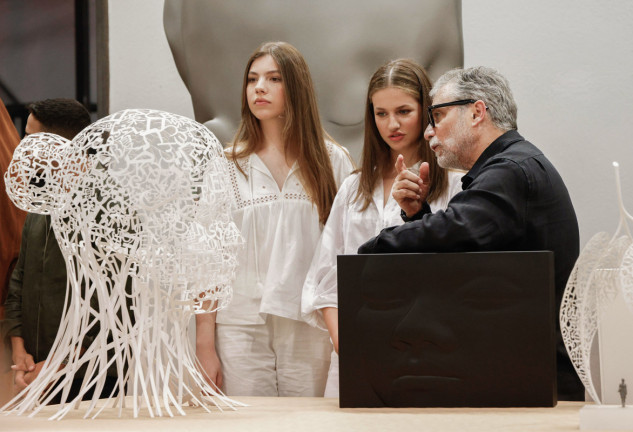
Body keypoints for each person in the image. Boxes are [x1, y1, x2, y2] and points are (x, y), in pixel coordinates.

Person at [358, 66, 584, 401]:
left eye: (438, 115)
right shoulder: (513, 164)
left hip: (535, 379)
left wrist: (370, 251)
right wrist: (417, 215)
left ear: (477, 112)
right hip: (528, 372)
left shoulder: (509, 170)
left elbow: (454, 231)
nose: (428, 132)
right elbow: (464, 255)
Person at [195, 42, 354, 396]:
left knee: (309, 422)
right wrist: (204, 344)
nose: (259, 88)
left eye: (273, 78)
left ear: (296, 88)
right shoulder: (226, 164)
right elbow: (206, 260)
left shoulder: (334, 161)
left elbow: (346, 252)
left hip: (309, 322)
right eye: (252, 79)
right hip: (239, 322)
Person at [301, 59, 462, 397]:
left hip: (424, 346)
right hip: (356, 345)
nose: (392, 124)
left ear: (428, 111)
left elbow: (454, 271)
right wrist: (343, 340)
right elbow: (327, 275)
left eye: (404, 111)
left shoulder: (454, 183)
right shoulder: (354, 186)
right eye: (381, 113)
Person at [3, 98, 91, 393]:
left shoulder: (104, 209)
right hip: (35, 369)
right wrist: (20, 351)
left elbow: (118, 309)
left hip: (91, 377)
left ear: (59, 145)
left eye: (30, 139)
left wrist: (59, 364)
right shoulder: (39, 204)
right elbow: (19, 281)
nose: (22, 148)